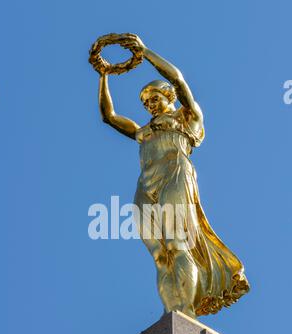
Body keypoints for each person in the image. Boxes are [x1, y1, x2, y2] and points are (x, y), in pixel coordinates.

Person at [97, 34, 249, 318]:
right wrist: (103, 76)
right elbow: (109, 116)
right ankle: (172, 314)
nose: (150, 106)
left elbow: (179, 80)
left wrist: (145, 52)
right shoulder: (143, 132)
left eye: (154, 99)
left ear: (167, 97)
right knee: (159, 255)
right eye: (145, 104)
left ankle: (186, 311)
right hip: (146, 186)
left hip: (176, 175)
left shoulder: (185, 118)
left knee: (178, 245)